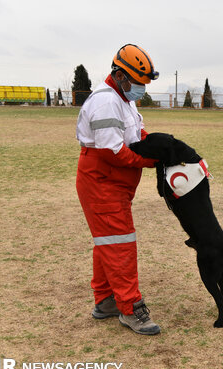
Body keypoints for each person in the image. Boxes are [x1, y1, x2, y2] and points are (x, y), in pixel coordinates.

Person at [76, 44, 161, 335]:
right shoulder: (105, 102)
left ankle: (106, 300)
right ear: (121, 75)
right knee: (121, 244)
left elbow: (136, 134)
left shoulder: (124, 99)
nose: (141, 89)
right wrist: (150, 160)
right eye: (138, 83)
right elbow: (112, 152)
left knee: (108, 242)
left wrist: (159, 145)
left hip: (114, 182)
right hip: (102, 181)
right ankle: (130, 308)